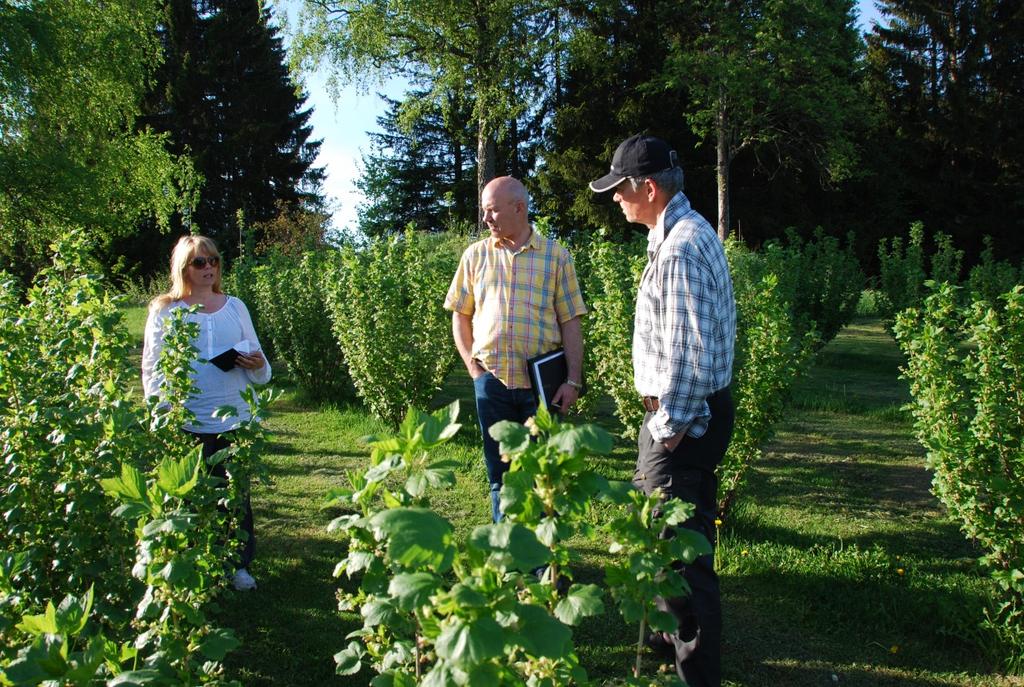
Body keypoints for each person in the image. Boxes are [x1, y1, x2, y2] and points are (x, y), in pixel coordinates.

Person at [590, 134, 736, 687]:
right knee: (668, 538)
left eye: (620, 189)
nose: (614, 199)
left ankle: (696, 674)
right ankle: (663, 649)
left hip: (684, 419)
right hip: (689, 416)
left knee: (682, 560)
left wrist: (668, 429)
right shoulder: (682, 233)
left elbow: (687, 354)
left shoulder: (678, 248)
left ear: (648, 188)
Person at [444, 176, 587, 523]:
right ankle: (507, 559)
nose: (486, 219)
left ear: (519, 208)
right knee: (500, 477)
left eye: (492, 211)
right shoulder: (475, 256)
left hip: (541, 389)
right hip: (491, 384)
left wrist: (573, 380)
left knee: (542, 475)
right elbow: (460, 316)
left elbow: (571, 322)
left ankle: (542, 566)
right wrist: (474, 372)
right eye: (484, 211)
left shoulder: (556, 257)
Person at [141, 235, 271, 592]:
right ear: (183, 267)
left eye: (213, 260)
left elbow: (261, 367)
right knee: (192, 494)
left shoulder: (234, 306)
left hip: (235, 417)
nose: (208, 268)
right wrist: (160, 411)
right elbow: (152, 366)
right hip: (187, 416)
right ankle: (195, 562)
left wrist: (256, 363)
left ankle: (237, 565)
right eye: (199, 262)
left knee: (235, 495)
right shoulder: (166, 309)